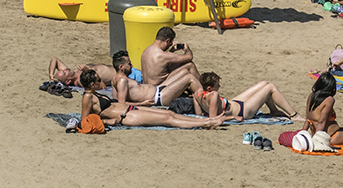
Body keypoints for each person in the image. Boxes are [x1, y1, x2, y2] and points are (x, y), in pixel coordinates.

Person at [79, 69, 222, 130]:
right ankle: (207, 122)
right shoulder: (88, 97)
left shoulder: (96, 94)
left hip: (131, 110)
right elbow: (83, 122)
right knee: (168, 120)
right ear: (92, 85)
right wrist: (106, 121)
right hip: (126, 116)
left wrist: (140, 104)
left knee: (169, 114)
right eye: (98, 80)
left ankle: (206, 122)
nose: (101, 81)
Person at [193, 71, 299, 121]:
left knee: (263, 83)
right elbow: (213, 119)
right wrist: (233, 117)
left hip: (234, 103)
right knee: (270, 87)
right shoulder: (214, 95)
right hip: (243, 111)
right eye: (217, 85)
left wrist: (203, 112)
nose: (219, 86)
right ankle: (294, 115)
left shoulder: (198, 92)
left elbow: (199, 113)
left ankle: (274, 110)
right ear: (209, 88)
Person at [110, 51, 198, 108]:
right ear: (121, 67)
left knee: (184, 71)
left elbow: (115, 99)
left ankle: (202, 93)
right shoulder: (122, 81)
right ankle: (205, 99)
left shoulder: (115, 79)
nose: (132, 66)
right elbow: (121, 104)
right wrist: (142, 104)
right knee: (189, 78)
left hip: (158, 89)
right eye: (129, 64)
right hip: (159, 97)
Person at [304, 72, 343, 146]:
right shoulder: (329, 100)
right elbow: (321, 121)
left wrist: (302, 132)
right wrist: (317, 140)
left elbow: (308, 118)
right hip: (330, 136)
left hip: (329, 132)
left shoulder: (311, 96)